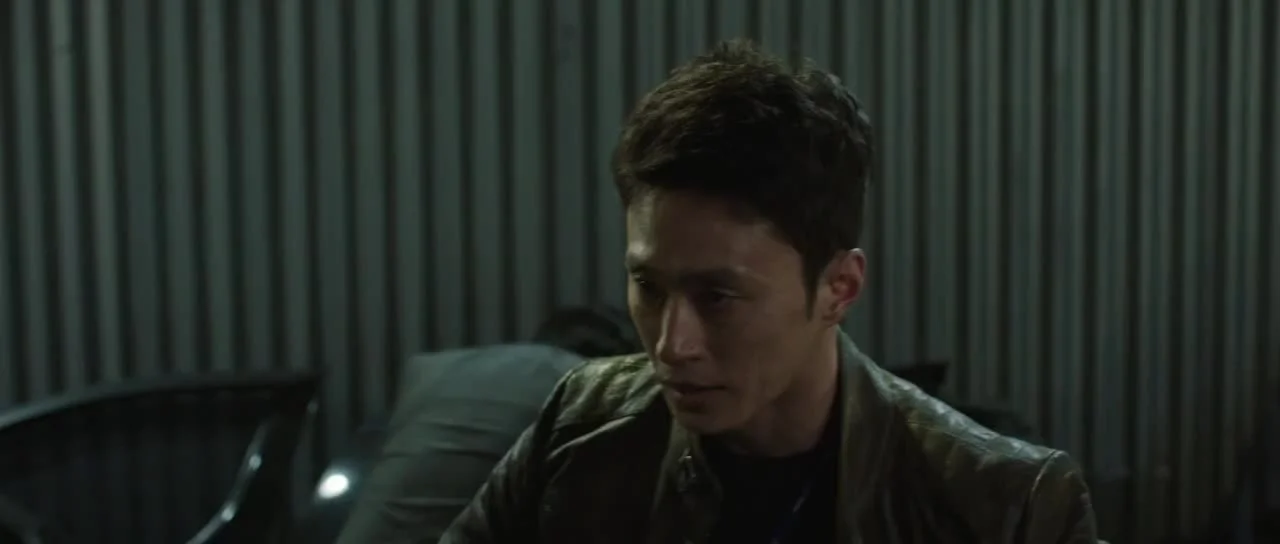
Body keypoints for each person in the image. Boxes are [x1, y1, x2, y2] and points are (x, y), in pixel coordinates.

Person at [439, 40, 1098, 543]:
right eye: (649, 286)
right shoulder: (582, 428)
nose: (672, 344)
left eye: (718, 296)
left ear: (838, 288)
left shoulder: (1006, 506)